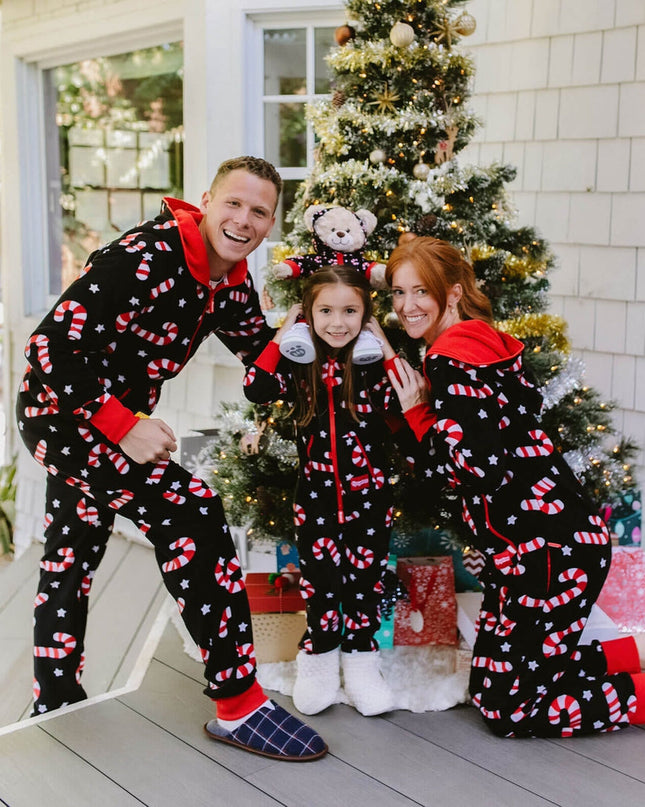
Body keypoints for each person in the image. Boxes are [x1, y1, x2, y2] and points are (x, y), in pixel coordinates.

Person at [16, 156, 327, 761]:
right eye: (233, 203)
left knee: (71, 552)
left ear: (269, 226)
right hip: (62, 414)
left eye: (259, 212)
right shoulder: (144, 258)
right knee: (193, 514)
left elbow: (259, 364)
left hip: (106, 423)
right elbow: (48, 347)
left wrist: (301, 342)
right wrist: (121, 424)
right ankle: (239, 705)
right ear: (207, 200)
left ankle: (54, 700)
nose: (243, 219)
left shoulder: (228, 282)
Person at [384, 235, 645, 738]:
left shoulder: (447, 360)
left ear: (453, 293)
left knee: (511, 711)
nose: (407, 306)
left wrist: (417, 416)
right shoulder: (482, 343)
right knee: (487, 685)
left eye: (422, 291)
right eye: (397, 291)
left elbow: (473, 470)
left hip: (546, 552)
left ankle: (635, 699)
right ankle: (629, 654)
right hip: (540, 545)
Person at [243, 266, 402, 717]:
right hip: (313, 496)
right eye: (325, 311)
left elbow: (406, 402)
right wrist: (284, 335)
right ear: (308, 314)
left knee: (364, 582)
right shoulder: (300, 363)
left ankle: (361, 664)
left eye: (351, 311)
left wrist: (382, 344)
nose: (337, 322)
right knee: (321, 582)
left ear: (366, 314)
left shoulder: (370, 366)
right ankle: (317, 662)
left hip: (370, 498)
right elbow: (255, 387)